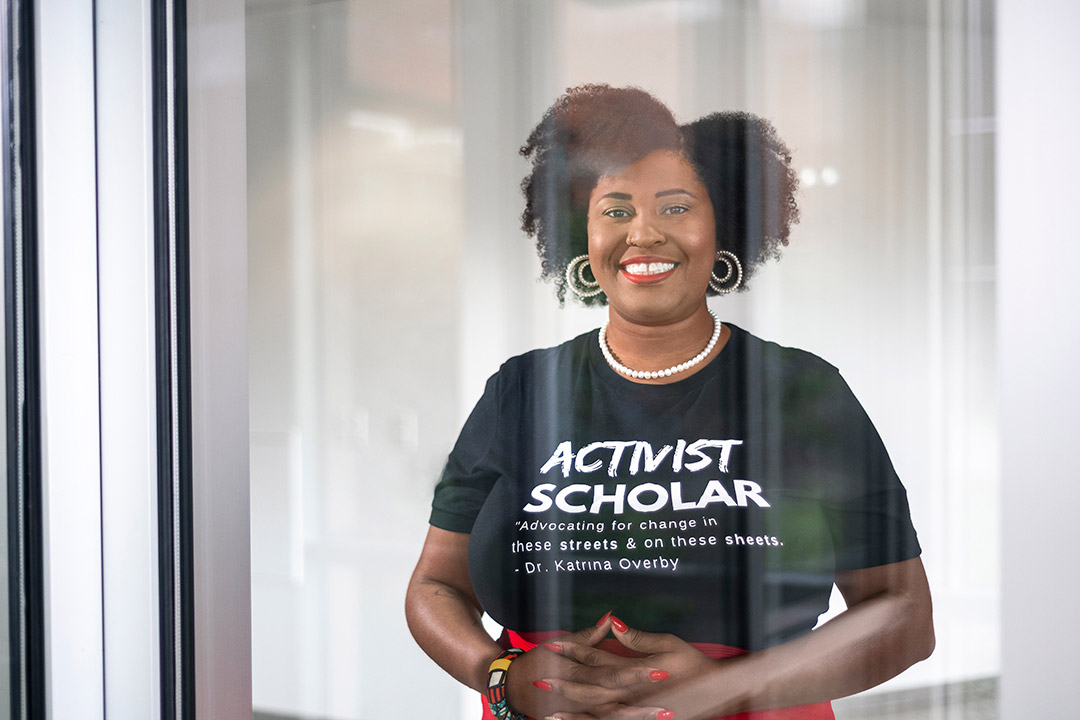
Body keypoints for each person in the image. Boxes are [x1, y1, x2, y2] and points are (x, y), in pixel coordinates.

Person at [406, 84, 934, 720]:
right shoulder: (520, 390)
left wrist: (720, 689)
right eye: (617, 211)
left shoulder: (800, 390)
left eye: (677, 208)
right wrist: (499, 676)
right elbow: (436, 585)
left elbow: (903, 615)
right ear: (582, 234)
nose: (645, 234)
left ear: (724, 228)